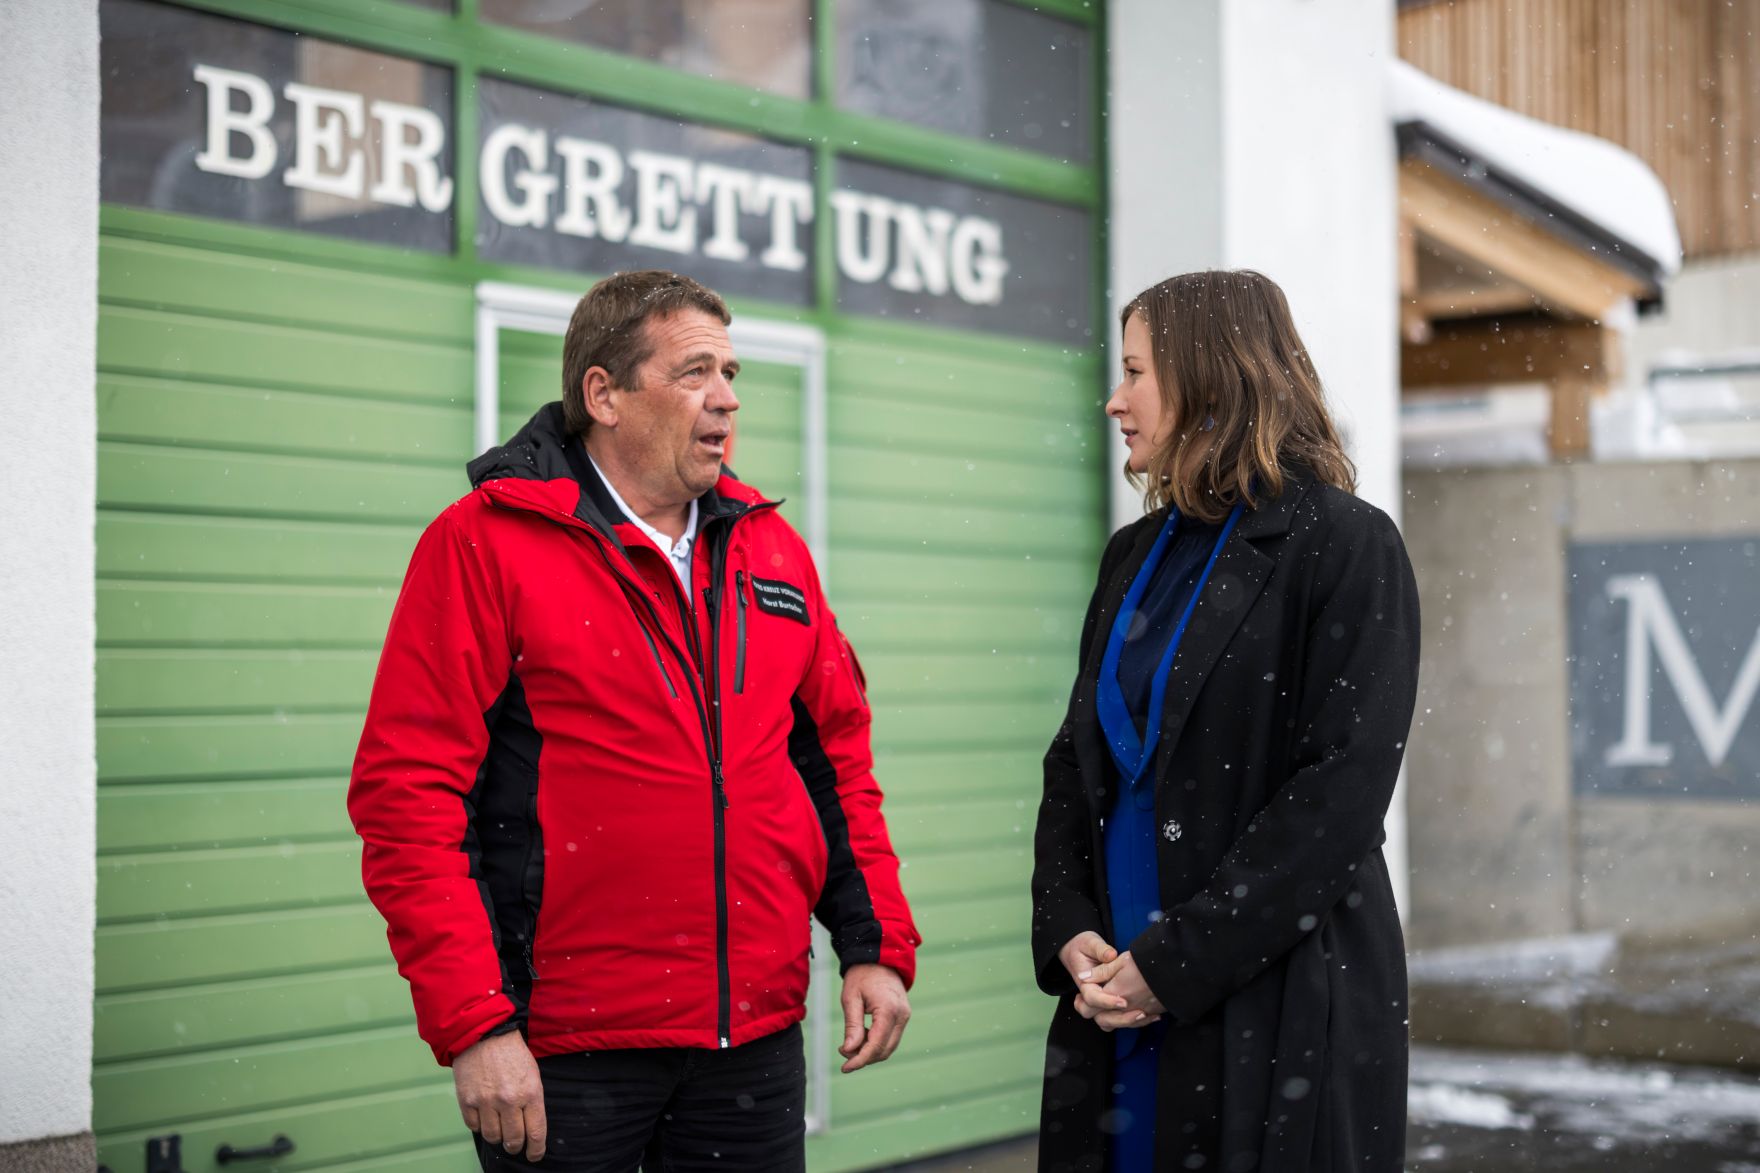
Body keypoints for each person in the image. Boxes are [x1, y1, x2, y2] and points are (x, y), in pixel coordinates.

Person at [349, 269, 919, 1172]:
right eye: (695, 372)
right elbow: (407, 796)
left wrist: (873, 943)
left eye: (730, 373)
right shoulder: (485, 542)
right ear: (603, 394)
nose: (726, 398)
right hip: (566, 1052)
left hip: (752, 1043)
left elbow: (833, 762)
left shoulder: (771, 549)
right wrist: (476, 1023)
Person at [1030, 270, 1419, 1173]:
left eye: (1135, 372)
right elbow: (1075, 760)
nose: (1113, 399)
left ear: (1208, 377)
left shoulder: (1347, 544)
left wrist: (1177, 962)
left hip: (1272, 1003)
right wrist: (1067, 920)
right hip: (1116, 1001)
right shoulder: (1132, 554)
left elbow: (1340, 795)